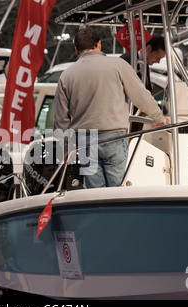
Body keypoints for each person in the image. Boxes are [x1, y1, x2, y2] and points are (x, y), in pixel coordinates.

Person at [54, 27, 169, 189]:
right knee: (117, 189)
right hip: (114, 137)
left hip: (86, 141)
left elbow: (60, 118)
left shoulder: (66, 75)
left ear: (76, 49)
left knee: (94, 193)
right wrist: (159, 118)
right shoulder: (118, 65)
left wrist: (65, 147)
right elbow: (141, 96)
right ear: (99, 45)